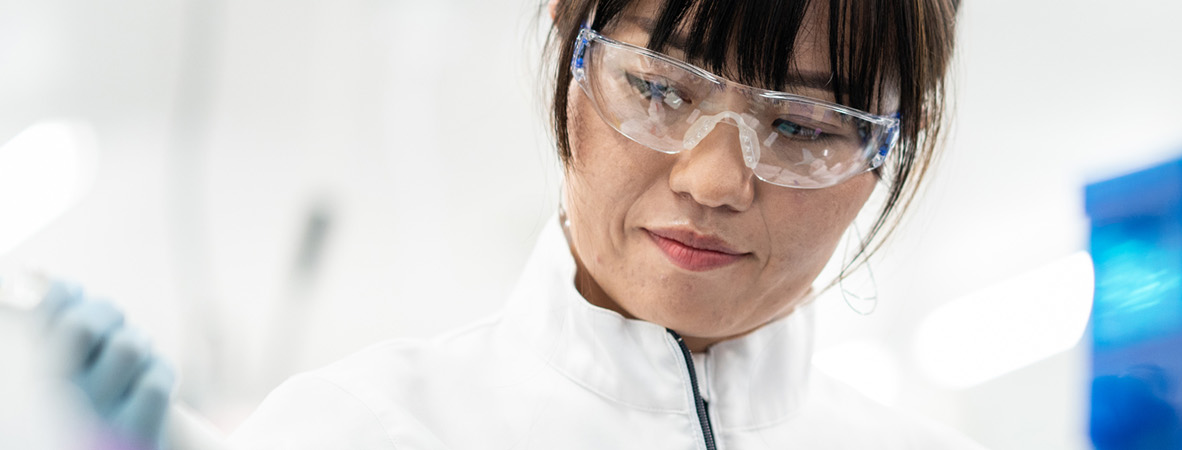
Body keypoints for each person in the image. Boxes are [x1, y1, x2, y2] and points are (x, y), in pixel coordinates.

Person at [45, 0, 976, 448]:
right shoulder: (358, 430)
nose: (714, 177)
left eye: (805, 128)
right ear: (570, 64)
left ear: (891, 153)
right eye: (656, 88)